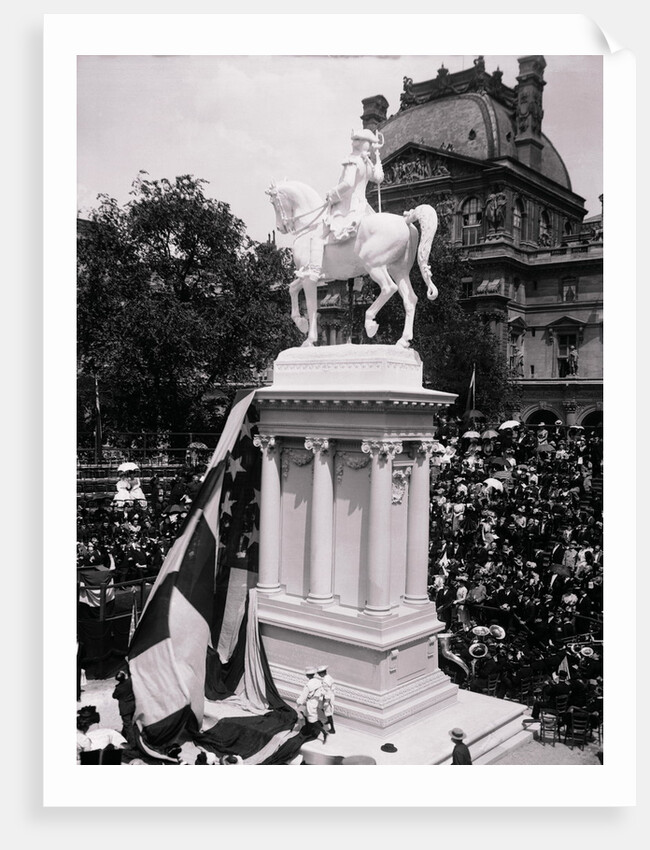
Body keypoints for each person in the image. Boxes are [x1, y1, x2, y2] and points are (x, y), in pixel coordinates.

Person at [296, 667, 328, 743]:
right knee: (306, 715)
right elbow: (323, 691)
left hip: (310, 703)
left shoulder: (308, 685)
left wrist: (298, 703)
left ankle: (324, 732)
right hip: (315, 701)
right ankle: (308, 729)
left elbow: (303, 696)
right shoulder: (318, 681)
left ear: (307, 675)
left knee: (312, 719)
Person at [112, 667, 136, 747]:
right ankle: (123, 736)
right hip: (133, 706)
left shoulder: (118, 688)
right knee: (129, 724)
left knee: (128, 726)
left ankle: (133, 744)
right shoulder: (130, 681)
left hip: (125, 709)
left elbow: (114, 696)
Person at [316, 664, 336, 734]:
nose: (319, 675)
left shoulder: (325, 681)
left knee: (328, 713)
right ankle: (328, 720)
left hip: (328, 698)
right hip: (329, 696)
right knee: (322, 708)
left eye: (319, 673)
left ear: (323, 673)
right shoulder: (328, 677)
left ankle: (332, 729)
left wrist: (326, 700)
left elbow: (327, 691)